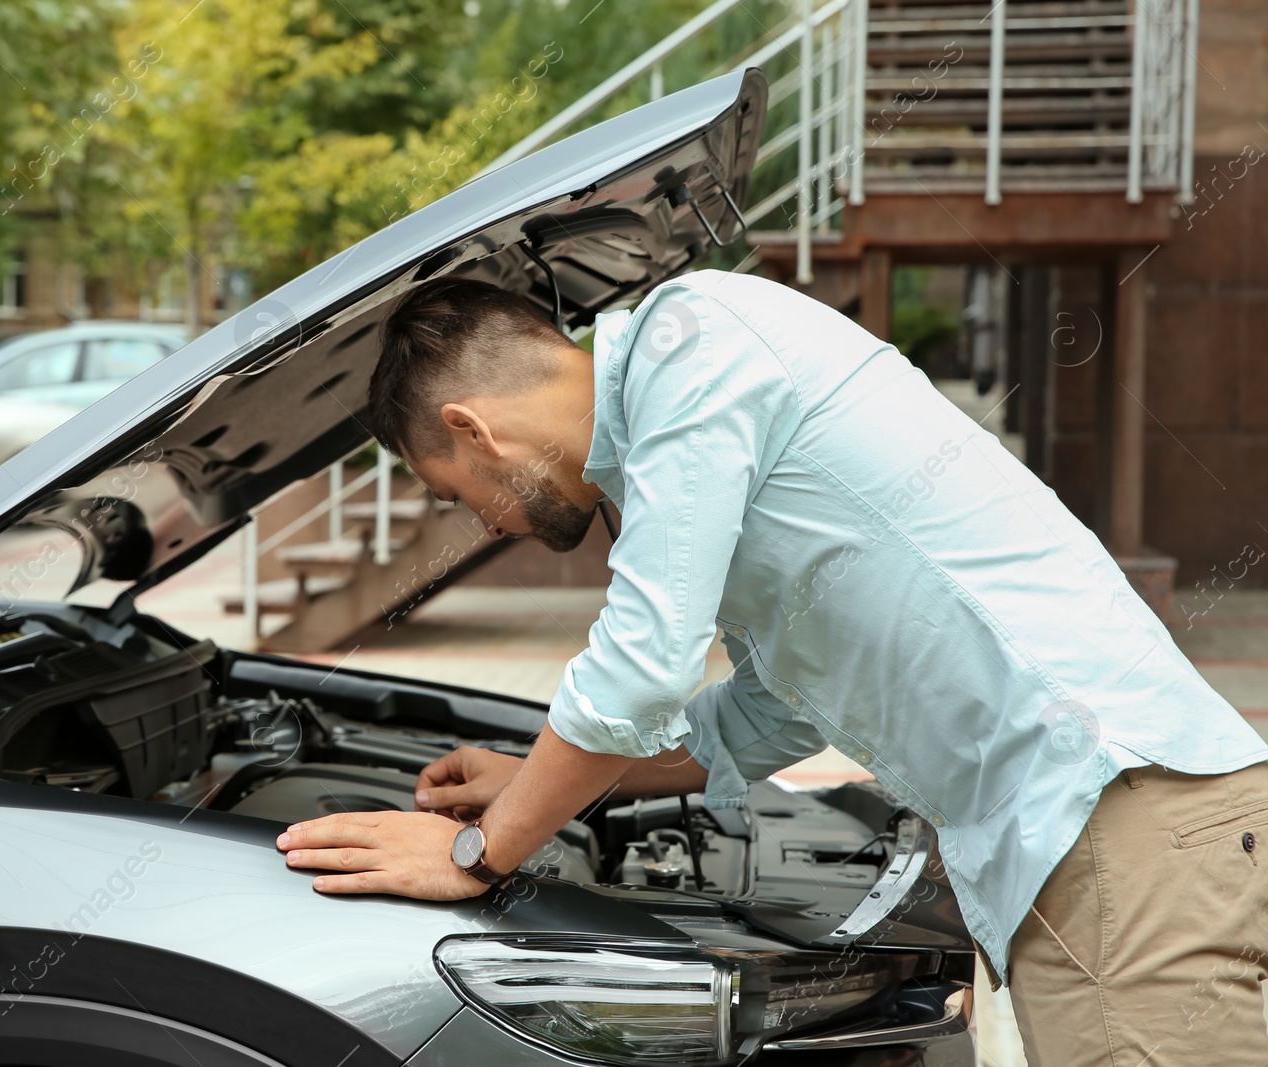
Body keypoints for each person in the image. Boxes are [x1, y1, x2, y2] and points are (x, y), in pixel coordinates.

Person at [275, 268, 1268, 1065]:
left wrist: (476, 852)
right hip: (1095, 835)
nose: (485, 522)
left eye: (458, 494)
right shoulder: (688, 419)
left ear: (471, 427)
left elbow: (639, 661)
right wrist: (555, 783)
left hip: (1117, 820)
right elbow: (768, 712)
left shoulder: (690, 344)